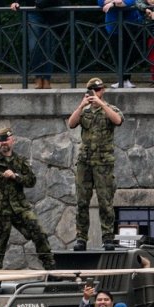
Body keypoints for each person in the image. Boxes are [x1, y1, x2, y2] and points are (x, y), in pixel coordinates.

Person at [0, 128, 55, 270]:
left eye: (6, 139)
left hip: (19, 208)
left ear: (13, 141)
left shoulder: (20, 161)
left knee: (39, 233)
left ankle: (51, 270)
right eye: (1, 140)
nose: (4, 143)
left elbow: (31, 181)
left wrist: (15, 176)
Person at [67, 78, 124, 250]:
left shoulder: (110, 109)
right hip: (85, 162)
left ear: (103, 91)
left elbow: (118, 120)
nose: (96, 93)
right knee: (82, 202)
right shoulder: (84, 112)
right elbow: (71, 124)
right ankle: (81, 238)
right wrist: (80, 105)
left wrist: (101, 104)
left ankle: (107, 238)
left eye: (98, 90)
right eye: (93, 90)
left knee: (105, 201)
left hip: (103, 163)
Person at [9, 0, 58, 89]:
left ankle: (47, 78)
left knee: (49, 48)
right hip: (33, 11)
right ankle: (38, 77)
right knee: (34, 47)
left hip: (51, 11)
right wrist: (16, 2)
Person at [100, 0, 142, 89]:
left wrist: (113, 3)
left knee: (132, 51)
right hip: (114, 26)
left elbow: (130, 2)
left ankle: (125, 79)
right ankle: (122, 80)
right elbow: (101, 2)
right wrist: (117, 1)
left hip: (131, 25)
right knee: (117, 52)